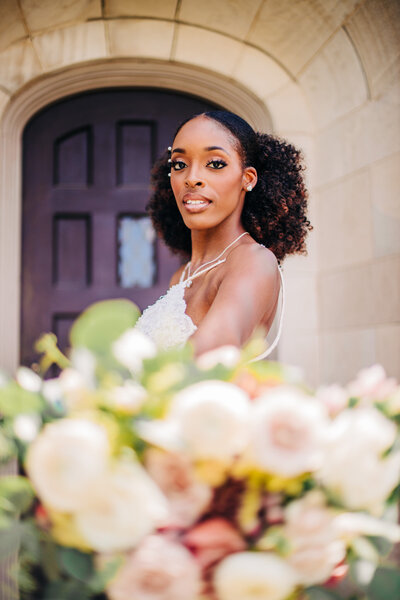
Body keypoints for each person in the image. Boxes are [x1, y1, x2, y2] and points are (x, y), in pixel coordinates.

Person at [135, 110, 311, 358]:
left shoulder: (253, 260)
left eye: (215, 164)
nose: (192, 178)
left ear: (247, 179)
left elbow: (213, 354)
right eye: (180, 165)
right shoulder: (182, 275)